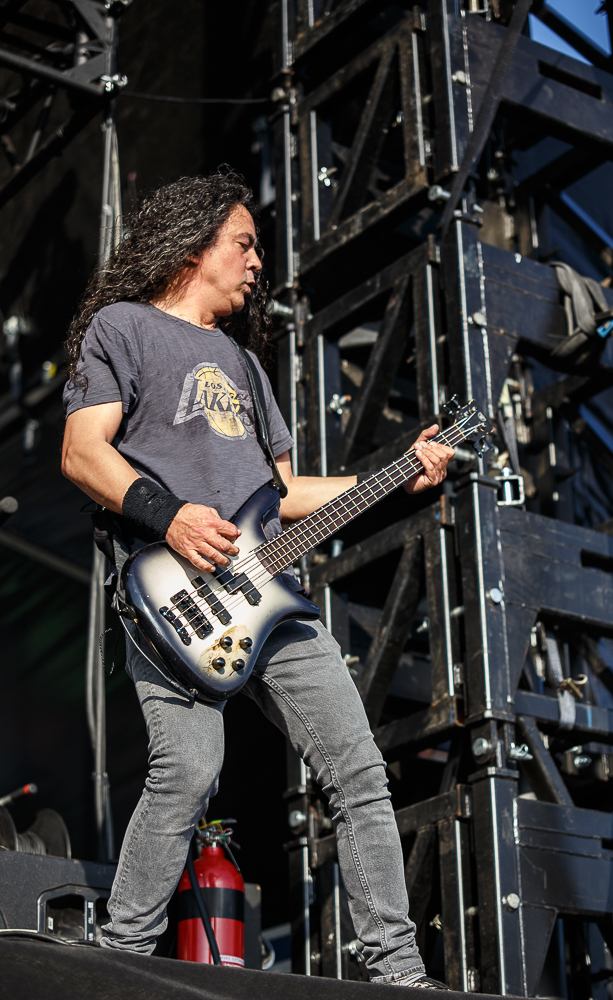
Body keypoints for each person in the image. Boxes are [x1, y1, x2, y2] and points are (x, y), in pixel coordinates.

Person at [61, 168, 454, 989]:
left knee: (358, 771)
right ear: (192, 247)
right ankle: (120, 964)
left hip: (270, 600)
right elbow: (82, 453)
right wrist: (169, 515)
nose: (255, 262)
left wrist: (397, 475)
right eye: (242, 244)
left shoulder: (244, 365)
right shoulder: (122, 327)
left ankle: (397, 972)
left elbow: (281, 494)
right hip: (170, 595)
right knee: (187, 770)